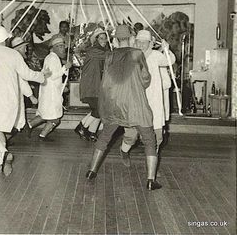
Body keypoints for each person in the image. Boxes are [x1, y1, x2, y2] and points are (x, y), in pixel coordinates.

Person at [85, 29, 162, 191]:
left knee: (105, 137)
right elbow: (146, 80)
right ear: (131, 38)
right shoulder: (137, 54)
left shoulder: (109, 56)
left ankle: (91, 171)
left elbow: (107, 80)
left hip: (113, 105)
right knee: (149, 140)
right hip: (135, 106)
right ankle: (150, 180)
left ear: (115, 40)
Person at [0, 26, 48, 176]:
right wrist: (42, 76)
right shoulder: (13, 54)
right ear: (6, 39)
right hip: (8, 100)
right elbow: (27, 74)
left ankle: (5, 154)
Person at [120, 30, 176, 161]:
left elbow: (170, 61)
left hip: (154, 101)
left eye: (144, 42)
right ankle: (124, 151)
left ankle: (152, 162)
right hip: (136, 100)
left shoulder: (156, 55)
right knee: (131, 134)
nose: (141, 45)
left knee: (157, 135)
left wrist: (166, 49)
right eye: (138, 42)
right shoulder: (131, 56)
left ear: (150, 44)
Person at [27, 36, 72, 140]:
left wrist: (61, 85)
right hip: (51, 94)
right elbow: (52, 75)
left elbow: (54, 75)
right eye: (60, 46)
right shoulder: (52, 58)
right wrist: (65, 67)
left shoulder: (52, 57)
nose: (63, 48)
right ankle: (42, 135)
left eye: (63, 46)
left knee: (45, 114)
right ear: (54, 48)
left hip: (49, 92)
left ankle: (29, 126)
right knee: (55, 118)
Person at [74, 27, 110, 142]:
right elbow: (110, 56)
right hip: (90, 85)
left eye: (105, 39)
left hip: (96, 85)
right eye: (101, 38)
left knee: (99, 109)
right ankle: (82, 127)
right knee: (99, 110)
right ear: (96, 40)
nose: (104, 41)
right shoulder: (94, 51)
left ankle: (91, 132)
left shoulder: (101, 51)